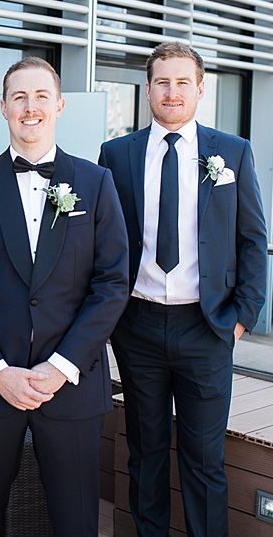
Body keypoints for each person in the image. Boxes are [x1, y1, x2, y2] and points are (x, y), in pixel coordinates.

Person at [0, 56, 129, 537]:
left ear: (60, 105)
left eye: (41, 96)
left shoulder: (96, 183)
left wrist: (61, 366)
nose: (31, 107)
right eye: (19, 97)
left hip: (71, 386)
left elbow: (111, 284)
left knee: (74, 521)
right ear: (3, 108)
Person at [98, 42, 267, 536]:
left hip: (208, 325)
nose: (172, 92)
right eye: (162, 82)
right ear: (148, 88)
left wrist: (242, 317)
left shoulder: (232, 151)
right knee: (144, 452)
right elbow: (106, 239)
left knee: (203, 458)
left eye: (182, 82)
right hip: (138, 327)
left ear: (200, 88)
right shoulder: (117, 153)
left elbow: (253, 238)